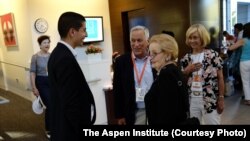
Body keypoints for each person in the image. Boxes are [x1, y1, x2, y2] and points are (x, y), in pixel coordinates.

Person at [47, 12, 96, 141]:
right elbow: (70, 102)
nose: (86, 35)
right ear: (72, 32)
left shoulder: (58, 54)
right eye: (84, 30)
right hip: (70, 131)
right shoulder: (64, 59)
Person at [180, 24, 224, 125]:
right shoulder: (185, 58)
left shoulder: (212, 55)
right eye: (190, 38)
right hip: (192, 99)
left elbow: (221, 78)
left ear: (202, 37)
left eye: (195, 37)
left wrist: (221, 99)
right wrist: (187, 70)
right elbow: (181, 79)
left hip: (209, 98)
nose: (192, 41)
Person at [113, 25, 156, 125]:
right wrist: (120, 115)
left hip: (156, 110)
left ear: (147, 41)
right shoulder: (121, 62)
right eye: (133, 41)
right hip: (134, 112)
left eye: (139, 40)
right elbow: (118, 90)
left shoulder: (155, 59)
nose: (136, 44)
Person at [145, 34, 189, 124]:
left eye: (155, 53)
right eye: (150, 53)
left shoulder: (166, 75)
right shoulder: (173, 70)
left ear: (168, 55)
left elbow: (166, 114)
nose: (150, 58)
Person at [30, 35, 51, 139]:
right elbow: (33, 73)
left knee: (55, 105)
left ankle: (55, 126)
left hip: (52, 82)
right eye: (44, 43)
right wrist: (34, 87)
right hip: (41, 82)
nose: (47, 44)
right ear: (40, 45)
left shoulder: (52, 55)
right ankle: (49, 129)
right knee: (50, 105)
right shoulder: (35, 57)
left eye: (48, 42)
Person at [228, 22, 250, 105]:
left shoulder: (243, 40)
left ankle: (248, 99)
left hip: (244, 62)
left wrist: (232, 45)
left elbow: (231, 48)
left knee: (246, 81)